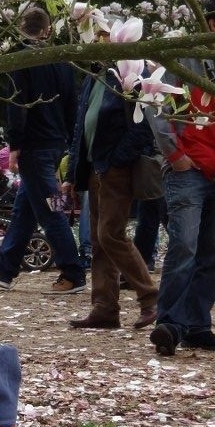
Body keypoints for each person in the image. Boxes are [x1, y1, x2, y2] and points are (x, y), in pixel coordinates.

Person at [0, 5, 86, 295]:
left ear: (20, 28)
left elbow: (18, 104)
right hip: (54, 143)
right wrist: (66, 140)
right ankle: (5, 270)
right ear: (48, 29)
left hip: (34, 145)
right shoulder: (61, 61)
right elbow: (72, 106)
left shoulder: (21, 60)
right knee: (25, 209)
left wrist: (15, 144)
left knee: (52, 211)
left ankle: (73, 272)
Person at [63, 25, 158, 330]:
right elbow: (82, 127)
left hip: (114, 169)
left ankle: (151, 298)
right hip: (95, 167)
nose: (99, 40)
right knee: (100, 240)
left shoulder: (133, 75)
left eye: (104, 35)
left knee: (110, 234)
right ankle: (104, 307)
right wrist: (73, 172)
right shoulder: (97, 75)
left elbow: (142, 128)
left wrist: (117, 161)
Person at [148, 0, 215, 356]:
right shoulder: (182, 58)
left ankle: (197, 323)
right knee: (184, 246)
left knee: (212, 252)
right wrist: (175, 155)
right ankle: (170, 322)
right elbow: (156, 106)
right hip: (188, 168)